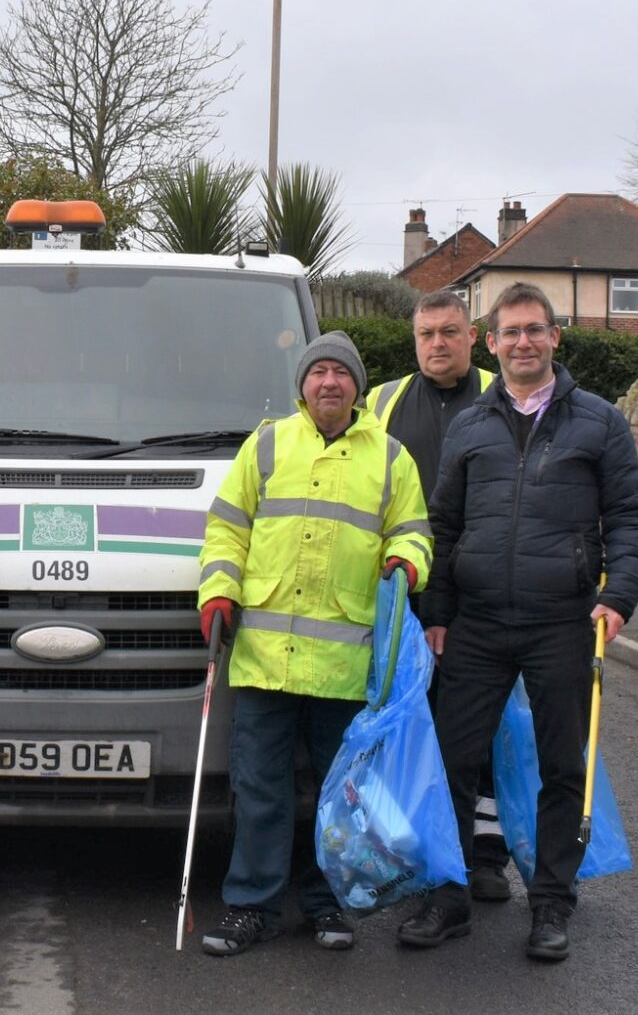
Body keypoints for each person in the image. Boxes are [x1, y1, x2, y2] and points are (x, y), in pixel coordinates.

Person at [398, 282, 638, 963]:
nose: (523, 343)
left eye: (535, 330)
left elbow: (628, 518)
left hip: (561, 621)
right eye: (510, 332)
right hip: (477, 622)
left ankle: (550, 904)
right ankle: (447, 897)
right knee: (452, 760)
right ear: (493, 342)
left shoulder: (600, 422)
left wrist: (618, 595)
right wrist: (439, 614)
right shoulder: (470, 428)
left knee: (562, 767)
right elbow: (444, 527)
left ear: (555, 337)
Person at [195, 331, 432, 958]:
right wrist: (216, 593)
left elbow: (414, 532)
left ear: (357, 387)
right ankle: (251, 908)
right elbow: (226, 528)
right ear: (303, 384)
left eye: (341, 373)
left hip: (345, 664)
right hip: (263, 661)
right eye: (318, 371)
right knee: (261, 792)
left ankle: (329, 907)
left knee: (338, 799)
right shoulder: (266, 444)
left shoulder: (390, 457)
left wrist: (407, 563)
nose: (329, 382)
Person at [368, 291, 511, 902]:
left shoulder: (501, 394)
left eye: (449, 332)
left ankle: (485, 857)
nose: (436, 345)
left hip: (487, 594)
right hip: (408, 594)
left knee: (487, 733)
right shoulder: (383, 401)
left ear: (473, 336)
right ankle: (413, 846)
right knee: (408, 723)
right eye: (426, 334)